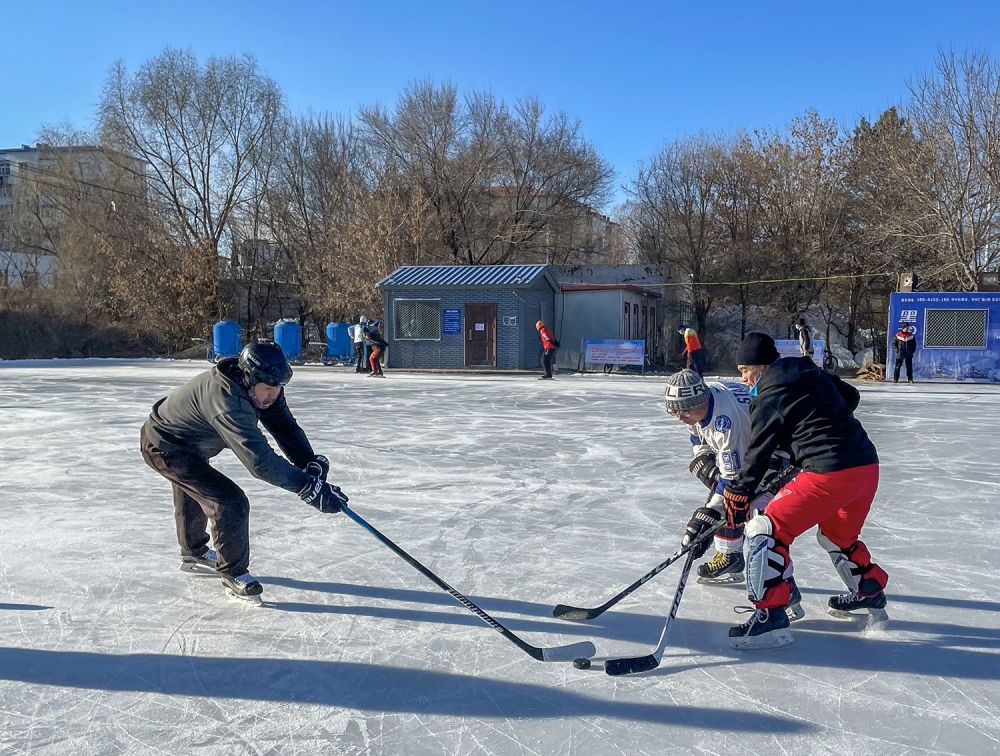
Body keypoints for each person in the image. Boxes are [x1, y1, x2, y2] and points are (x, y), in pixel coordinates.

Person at [688, 332, 889, 650]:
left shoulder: (769, 392)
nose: (743, 378)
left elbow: (759, 452)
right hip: (866, 465)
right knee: (837, 537)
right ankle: (869, 591)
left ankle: (770, 619)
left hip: (829, 472)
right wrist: (817, 420)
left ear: (760, 366)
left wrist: (739, 493)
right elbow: (850, 396)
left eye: (745, 370)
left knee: (763, 530)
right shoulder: (810, 371)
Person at [139, 342, 349, 602]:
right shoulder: (227, 402)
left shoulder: (259, 388)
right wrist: (306, 486)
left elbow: (285, 428)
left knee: (197, 488)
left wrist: (308, 463)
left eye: (279, 388)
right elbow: (259, 461)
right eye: (270, 389)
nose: (274, 394)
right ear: (249, 378)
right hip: (164, 445)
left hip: (188, 443)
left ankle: (193, 551)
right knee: (229, 501)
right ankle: (233, 573)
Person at [665, 370, 803, 621]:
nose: (679, 417)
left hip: (779, 456)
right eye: (674, 411)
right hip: (753, 451)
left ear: (701, 401)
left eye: (684, 411)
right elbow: (698, 432)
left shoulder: (726, 424)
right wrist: (703, 456)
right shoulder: (704, 401)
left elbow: (735, 483)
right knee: (722, 499)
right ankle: (730, 555)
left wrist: (706, 515)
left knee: (757, 523)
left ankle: (786, 590)